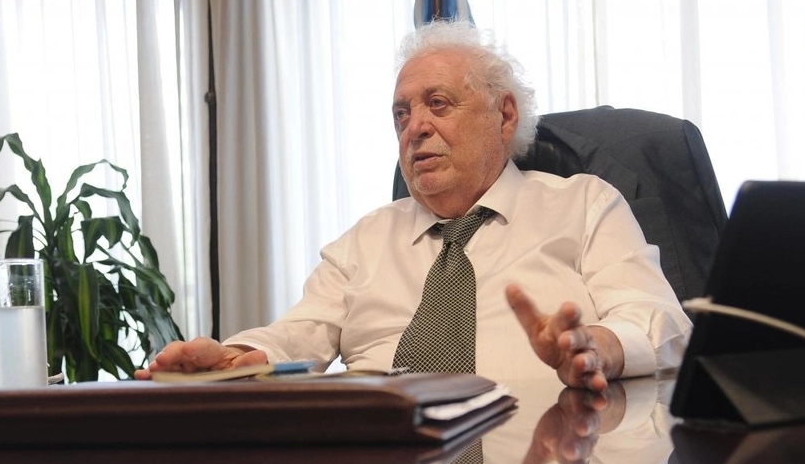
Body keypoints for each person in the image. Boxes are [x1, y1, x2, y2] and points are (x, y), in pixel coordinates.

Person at [135, 20, 691, 391]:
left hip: (553, 463)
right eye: (401, 114)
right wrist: (237, 359)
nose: (415, 128)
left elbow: (662, 322)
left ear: (504, 116)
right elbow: (296, 335)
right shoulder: (364, 241)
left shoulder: (584, 205)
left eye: (438, 104)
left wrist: (598, 348)